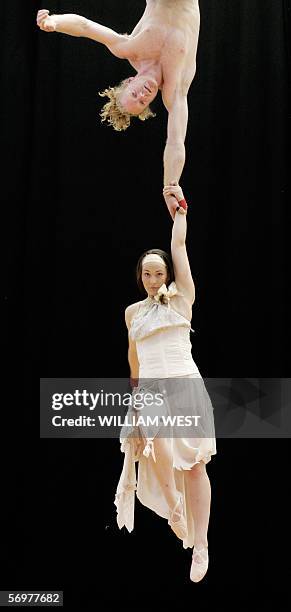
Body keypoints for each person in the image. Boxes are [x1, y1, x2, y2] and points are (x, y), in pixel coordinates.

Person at [115, 184, 217, 583]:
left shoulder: (181, 299)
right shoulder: (132, 313)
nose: (154, 279)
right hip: (152, 393)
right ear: (140, 277)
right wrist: (135, 400)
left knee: (193, 464)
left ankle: (202, 544)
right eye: (148, 273)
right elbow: (133, 358)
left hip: (185, 387)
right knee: (154, 459)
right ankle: (177, 511)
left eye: (159, 273)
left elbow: (180, 248)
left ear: (167, 276)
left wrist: (180, 215)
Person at [36, 1, 200, 196]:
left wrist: (55, 22)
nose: (142, 95)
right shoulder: (175, 89)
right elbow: (175, 141)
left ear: (130, 80)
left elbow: (85, 27)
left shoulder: (128, 49)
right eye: (142, 102)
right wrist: (171, 186)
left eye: (134, 94)